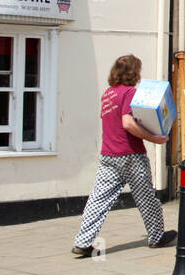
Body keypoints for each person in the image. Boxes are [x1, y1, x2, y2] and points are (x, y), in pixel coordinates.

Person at [72, 54, 175, 256]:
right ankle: (156, 236)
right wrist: (154, 138)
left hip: (109, 154)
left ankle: (83, 242)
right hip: (130, 155)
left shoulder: (108, 94)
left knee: (98, 199)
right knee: (146, 197)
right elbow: (127, 123)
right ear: (133, 73)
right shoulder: (129, 92)